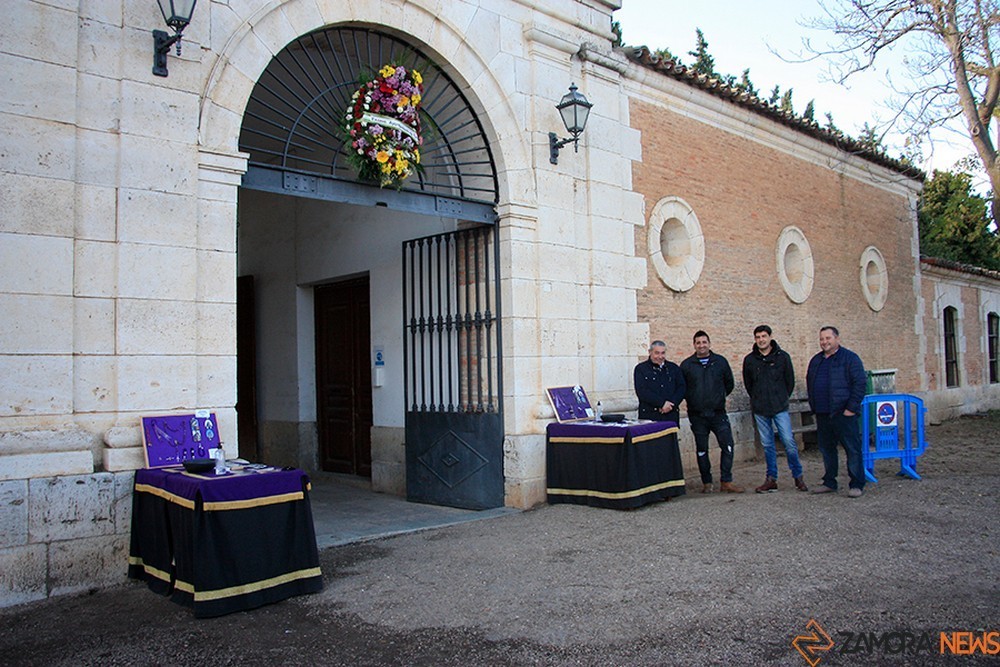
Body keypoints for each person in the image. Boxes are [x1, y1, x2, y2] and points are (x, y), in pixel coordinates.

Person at [743, 325, 808, 493]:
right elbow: (748, 384)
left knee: (788, 442)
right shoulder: (750, 360)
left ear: (770, 337)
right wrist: (757, 398)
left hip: (780, 407)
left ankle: (798, 476)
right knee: (767, 445)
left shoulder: (783, 357)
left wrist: (780, 397)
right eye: (758, 337)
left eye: (764, 336)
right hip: (760, 409)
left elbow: (790, 381)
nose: (761, 340)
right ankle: (771, 479)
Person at [806, 326, 867, 498]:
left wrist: (850, 409)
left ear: (837, 339)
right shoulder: (816, 360)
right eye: (821, 339)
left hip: (843, 413)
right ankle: (829, 482)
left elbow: (860, 384)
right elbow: (810, 383)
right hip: (823, 414)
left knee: (852, 449)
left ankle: (856, 483)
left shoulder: (850, 359)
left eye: (828, 338)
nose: (824, 342)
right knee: (827, 449)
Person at [680, 331, 743, 493]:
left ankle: (726, 481)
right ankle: (707, 482)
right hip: (697, 415)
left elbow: (729, 383)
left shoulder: (720, 362)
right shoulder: (687, 365)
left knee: (727, 446)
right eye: (698, 342)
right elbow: (683, 388)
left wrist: (718, 397)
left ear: (709, 343)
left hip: (718, 413)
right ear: (694, 345)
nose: (701, 345)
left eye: (704, 342)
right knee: (702, 450)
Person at [634, 340, 686, 424]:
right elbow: (642, 391)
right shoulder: (641, 369)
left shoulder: (674, 368)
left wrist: (670, 404)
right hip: (650, 416)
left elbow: (681, 387)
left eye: (663, 353)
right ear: (650, 352)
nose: (660, 356)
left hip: (671, 415)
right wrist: (661, 404)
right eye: (657, 353)